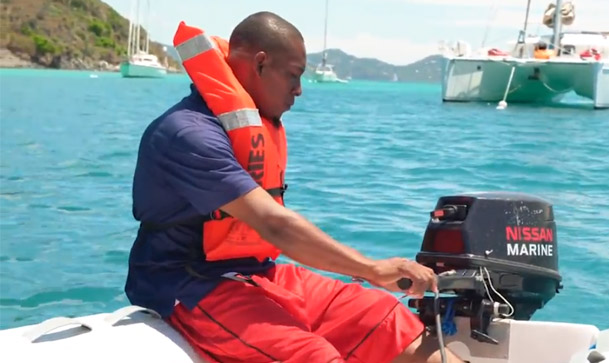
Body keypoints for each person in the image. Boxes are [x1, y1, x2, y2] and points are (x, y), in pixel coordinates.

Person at [126, 11, 463, 363]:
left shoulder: (245, 126)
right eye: (294, 75)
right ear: (260, 64)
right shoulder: (188, 135)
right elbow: (275, 224)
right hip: (189, 285)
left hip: (257, 274)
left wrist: (373, 276)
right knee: (313, 356)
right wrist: (371, 268)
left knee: (388, 320)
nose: (299, 90)